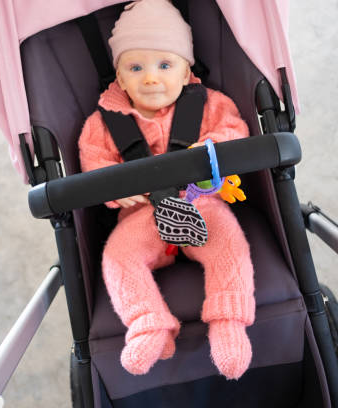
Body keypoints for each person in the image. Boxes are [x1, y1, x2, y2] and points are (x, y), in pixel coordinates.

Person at [78, 0, 255, 380]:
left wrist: (207, 150)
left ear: (186, 70)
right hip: (142, 215)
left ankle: (228, 321)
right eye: (135, 67)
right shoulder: (102, 122)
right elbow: (92, 161)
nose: (151, 79)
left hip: (201, 203)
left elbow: (235, 132)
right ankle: (148, 322)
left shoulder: (210, 104)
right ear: (120, 77)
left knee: (230, 246)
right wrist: (112, 186)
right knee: (118, 258)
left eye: (164, 65)